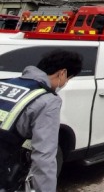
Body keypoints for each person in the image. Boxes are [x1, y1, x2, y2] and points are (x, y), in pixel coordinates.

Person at [0, 50, 83, 192]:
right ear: (62, 73)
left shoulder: (5, 84)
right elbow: (44, 155)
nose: (66, 82)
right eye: (68, 78)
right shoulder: (47, 101)